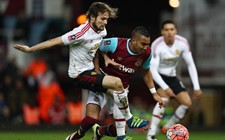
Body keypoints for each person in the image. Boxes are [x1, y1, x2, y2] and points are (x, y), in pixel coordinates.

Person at [13, 1, 151, 138]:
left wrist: (105, 59)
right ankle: (130, 120)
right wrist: (30, 49)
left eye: (107, 19)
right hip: (79, 74)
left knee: (93, 118)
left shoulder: (102, 30)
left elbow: (97, 47)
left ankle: (78, 135)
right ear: (92, 17)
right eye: (103, 18)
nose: (105, 22)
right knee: (117, 83)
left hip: (91, 72)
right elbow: (53, 42)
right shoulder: (80, 33)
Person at [78, 26, 163, 140]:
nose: (146, 47)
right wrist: (97, 69)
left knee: (123, 129)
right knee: (91, 119)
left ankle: (100, 131)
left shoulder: (147, 53)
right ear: (133, 41)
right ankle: (76, 136)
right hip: (103, 82)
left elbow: (146, 71)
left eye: (148, 44)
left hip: (121, 88)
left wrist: (154, 93)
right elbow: (95, 47)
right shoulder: (115, 43)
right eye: (143, 44)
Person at [146, 20, 202, 140]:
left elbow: (191, 65)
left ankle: (167, 127)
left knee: (187, 103)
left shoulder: (183, 43)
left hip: (172, 76)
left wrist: (197, 87)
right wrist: (166, 88)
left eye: (172, 29)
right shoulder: (157, 45)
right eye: (166, 30)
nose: (169, 32)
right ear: (162, 32)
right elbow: (153, 70)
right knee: (163, 101)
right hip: (158, 76)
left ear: (176, 31)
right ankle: (151, 134)